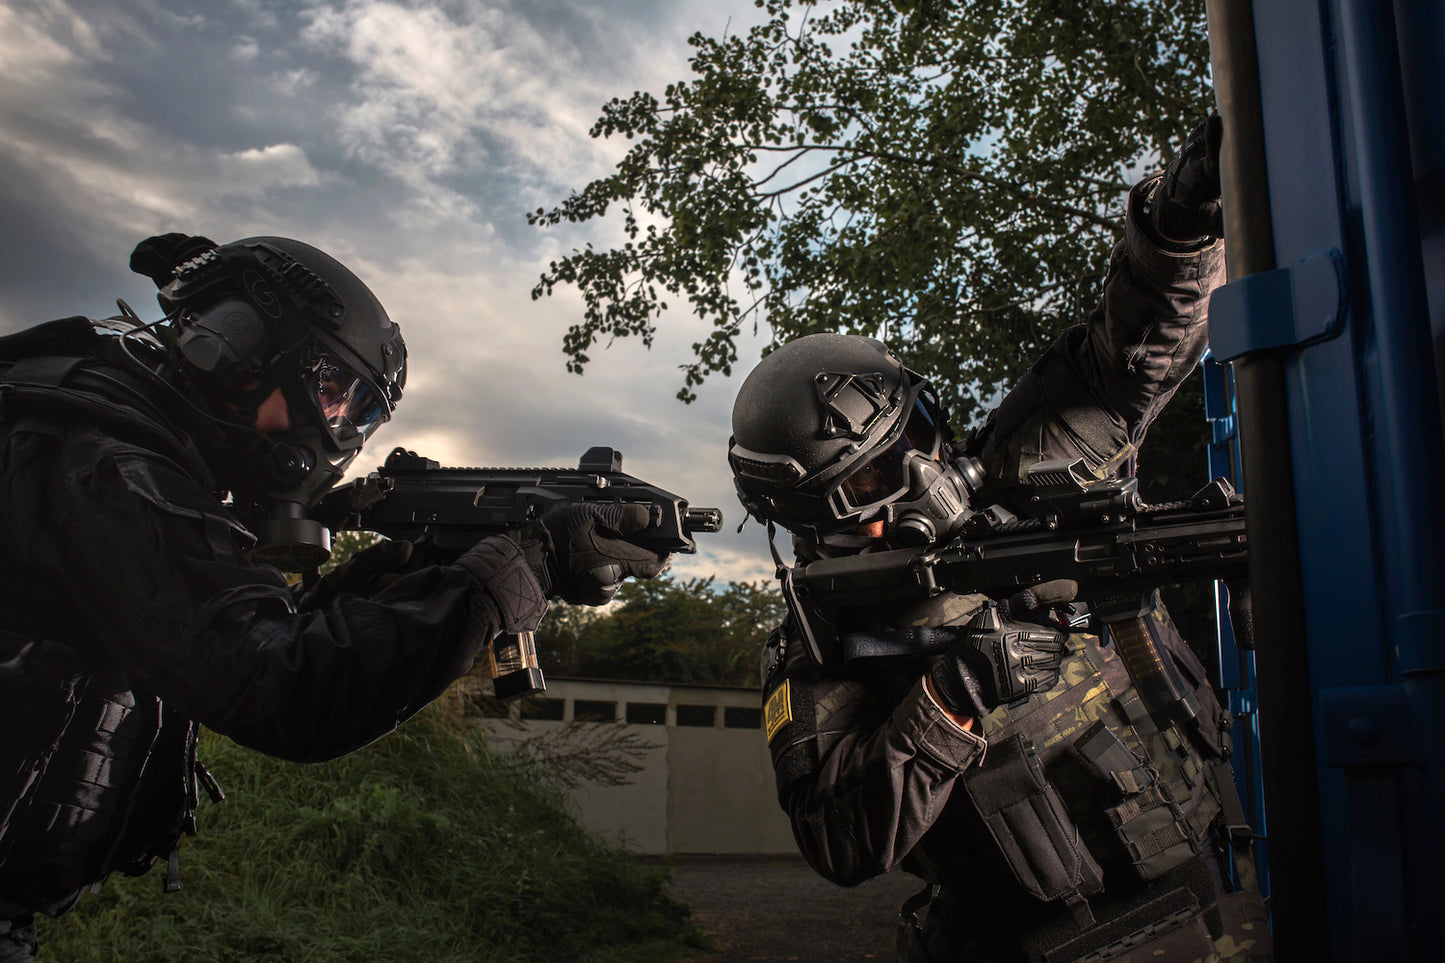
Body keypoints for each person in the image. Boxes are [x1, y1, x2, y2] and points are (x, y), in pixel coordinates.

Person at [0, 233, 668, 959]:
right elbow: (281, 689)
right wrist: (521, 570)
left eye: (360, 414)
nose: (340, 434)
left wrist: (388, 579)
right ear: (236, 347)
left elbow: (227, 636)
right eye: (331, 394)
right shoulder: (105, 463)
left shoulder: (88, 432)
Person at [728, 117, 1274, 961]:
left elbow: (1134, 354)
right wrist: (950, 695)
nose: (919, 478)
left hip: (1214, 903)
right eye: (871, 484)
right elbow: (838, 840)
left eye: (915, 440)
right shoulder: (817, 645)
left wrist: (1176, 219)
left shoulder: (1022, 466)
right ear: (807, 518)